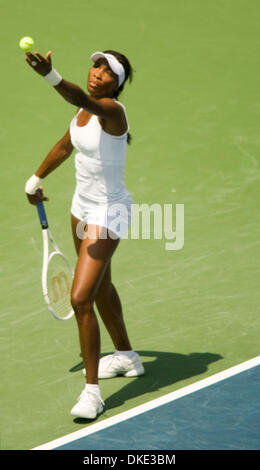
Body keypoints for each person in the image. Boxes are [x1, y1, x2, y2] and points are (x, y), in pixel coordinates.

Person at [24, 49, 145, 419]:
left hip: (108, 213)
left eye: (108, 72)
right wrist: (36, 178)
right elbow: (66, 144)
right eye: (96, 65)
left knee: (80, 299)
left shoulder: (113, 112)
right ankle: (127, 355)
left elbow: (77, 96)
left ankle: (92, 393)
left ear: (117, 84)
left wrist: (50, 75)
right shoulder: (82, 111)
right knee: (101, 287)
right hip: (80, 209)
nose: (98, 73)